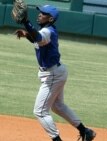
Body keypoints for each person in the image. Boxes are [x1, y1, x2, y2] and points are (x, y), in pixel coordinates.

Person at [14, 5, 96, 141]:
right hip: (57, 72)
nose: (39, 14)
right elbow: (39, 41)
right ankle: (85, 131)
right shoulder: (45, 31)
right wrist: (27, 35)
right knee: (57, 106)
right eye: (40, 12)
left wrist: (25, 22)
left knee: (40, 111)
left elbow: (40, 38)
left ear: (51, 18)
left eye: (43, 13)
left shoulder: (48, 31)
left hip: (52, 75)